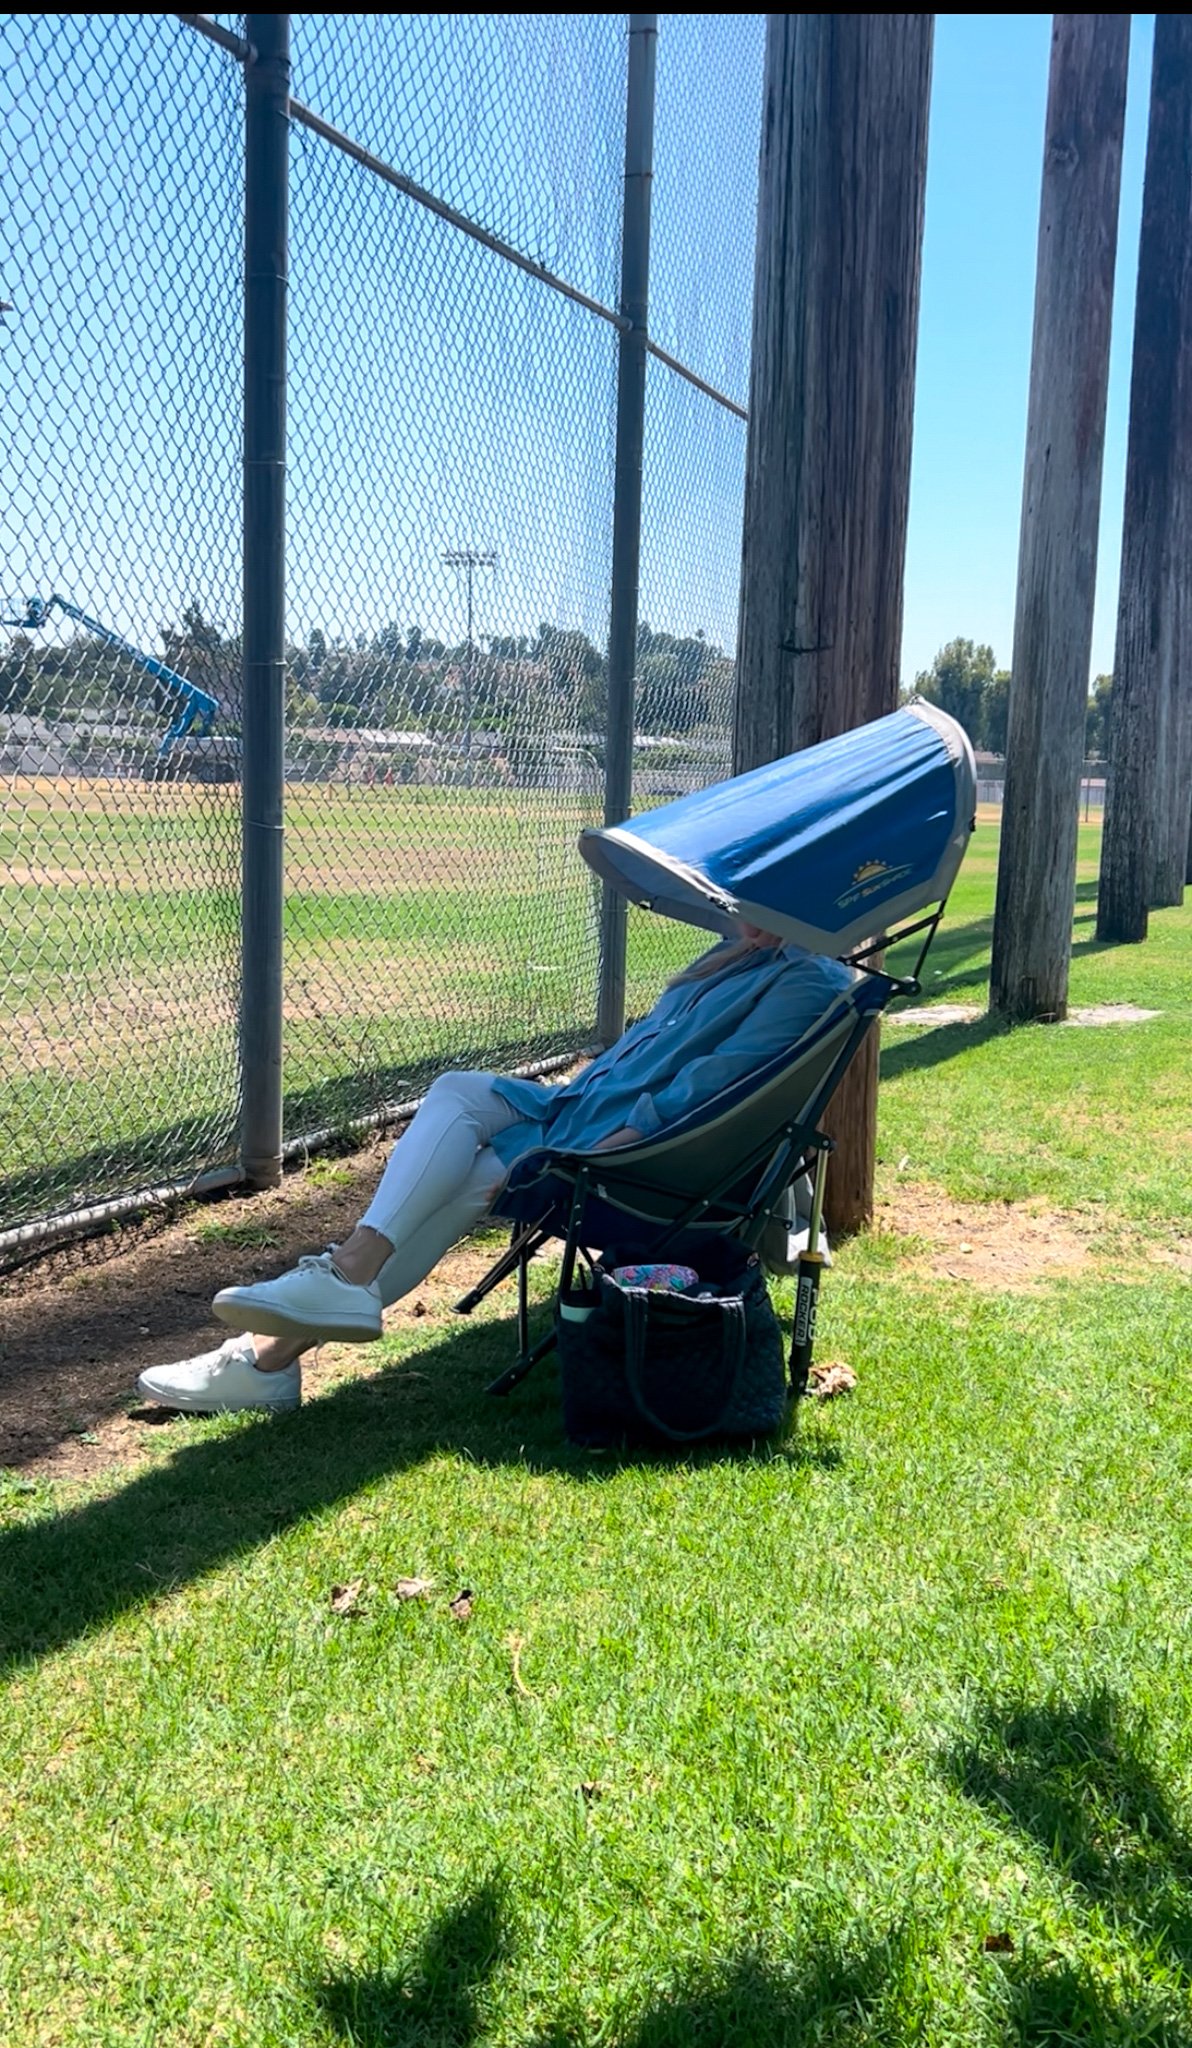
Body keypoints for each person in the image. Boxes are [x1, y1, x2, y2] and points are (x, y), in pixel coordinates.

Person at [136, 925, 857, 1413]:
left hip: (626, 1148)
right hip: (581, 1103)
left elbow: (720, 1080)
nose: (738, 907)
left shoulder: (807, 982)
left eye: (759, 897)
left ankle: (274, 1352)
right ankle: (333, 1289)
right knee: (456, 1092)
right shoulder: (739, 955)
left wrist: (636, 1129)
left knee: (473, 1173)